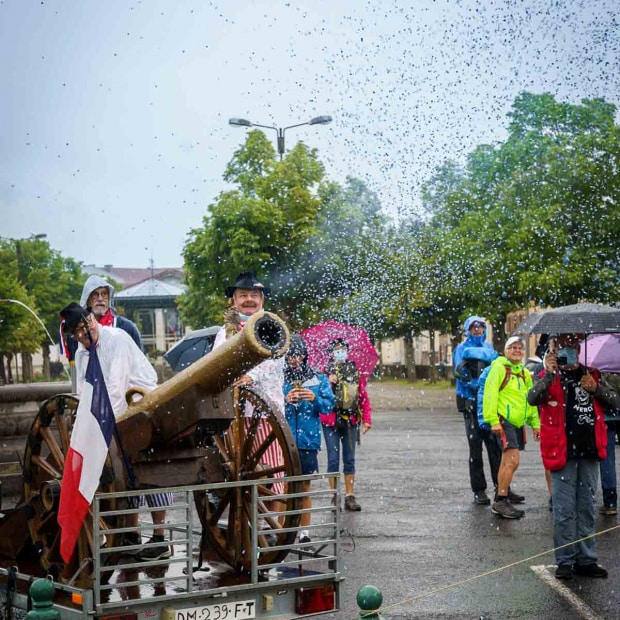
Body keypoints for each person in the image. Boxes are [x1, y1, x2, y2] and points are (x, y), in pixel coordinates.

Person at [59, 302, 171, 562]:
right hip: (112, 413)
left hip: (141, 405)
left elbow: (116, 389)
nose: (80, 337)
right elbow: (85, 390)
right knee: (122, 474)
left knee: (150, 471)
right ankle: (129, 534)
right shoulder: (83, 350)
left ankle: (159, 538)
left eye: (82, 330)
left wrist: (103, 432)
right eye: (75, 334)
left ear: (91, 321)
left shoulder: (116, 340)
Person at [528, 333, 620, 580]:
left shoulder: (593, 374)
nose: (567, 349)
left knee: (587, 508)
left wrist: (597, 388)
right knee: (564, 509)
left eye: (571, 344)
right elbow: (532, 398)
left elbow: (615, 403)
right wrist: (548, 374)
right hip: (562, 452)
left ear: (579, 348)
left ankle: (586, 559)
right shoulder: (549, 375)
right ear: (555, 349)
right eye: (562, 344)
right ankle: (565, 560)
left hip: (589, 451)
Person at [212, 272, 286, 531]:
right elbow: (216, 362)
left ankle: (272, 525)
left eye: (254, 295)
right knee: (242, 469)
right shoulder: (224, 332)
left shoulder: (270, 324)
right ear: (233, 300)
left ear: (262, 298)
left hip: (266, 412)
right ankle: (245, 523)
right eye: (243, 295)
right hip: (236, 415)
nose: (249, 300)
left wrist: (249, 376)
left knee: (274, 469)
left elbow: (275, 360)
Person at [283, 335, 335, 545]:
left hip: (307, 441)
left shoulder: (318, 378)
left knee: (304, 487)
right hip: (285, 440)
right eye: (290, 356)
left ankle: (304, 532)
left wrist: (315, 399)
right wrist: (286, 400)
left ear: (304, 356)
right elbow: (271, 403)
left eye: (297, 356)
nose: (294, 360)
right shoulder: (280, 378)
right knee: (284, 486)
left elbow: (328, 406)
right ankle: (285, 530)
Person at [482, 336, 540, 519]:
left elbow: (530, 401)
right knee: (512, 461)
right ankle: (501, 500)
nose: (517, 350)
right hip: (504, 420)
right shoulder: (499, 368)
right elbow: (489, 395)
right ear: (505, 351)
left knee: (507, 462)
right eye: (512, 347)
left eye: (520, 348)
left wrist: (535, 424)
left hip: (517, 423)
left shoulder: (523, 373)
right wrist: (493, 420)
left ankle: (502, 497)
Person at [452, 316, 501, 505]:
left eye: (481, 326)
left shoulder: (489, 348)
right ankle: (479, 489)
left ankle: (501, 486)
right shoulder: (462, 349)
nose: (477, 330)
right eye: (473, 327)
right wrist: (474, 382)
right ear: (468, 329)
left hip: (487, 401)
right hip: (470, 401)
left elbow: (497, 368)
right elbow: (459, 372)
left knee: (495, 446)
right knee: (475, 446)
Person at [321, 338, 372, 512]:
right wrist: (328, 382)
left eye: (342, 349)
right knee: (333, 460)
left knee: (349, 459)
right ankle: (334, 495)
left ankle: (350, 495)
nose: (339, 352)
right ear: (331, 353)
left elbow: (362, 395)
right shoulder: (325, 371)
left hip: (350, 421)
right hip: (330, 422)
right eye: (336, 349)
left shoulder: (354, 370)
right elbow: (320, 397)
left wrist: (367, 419)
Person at [80, 274, 143, 350]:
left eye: (104, 294)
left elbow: (140, 360)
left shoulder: (127, 328)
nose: (100, 299)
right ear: (87, 299)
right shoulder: (79, 330)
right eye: (95, 295)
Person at [598, 372, 620, 515]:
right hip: (612, 413)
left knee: (607, 460)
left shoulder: (600, 366)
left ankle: (610, 501)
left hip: (607, 416)